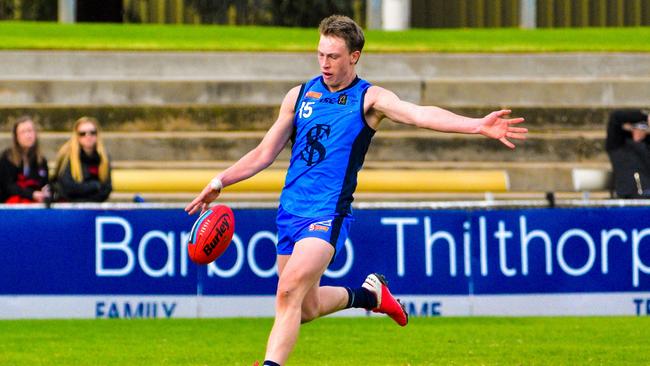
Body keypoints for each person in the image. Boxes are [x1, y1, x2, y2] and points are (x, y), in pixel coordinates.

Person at [185, 15, 527, 366]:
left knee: (286, 292)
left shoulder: (370, 99)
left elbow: (419, 114)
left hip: (328, 214)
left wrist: (477, 125)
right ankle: (369, 296)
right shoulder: (300, 95)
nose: (324, 63)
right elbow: (263, 153)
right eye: (320, 54)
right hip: (290, 212)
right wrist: (219, 181)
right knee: (305, 307)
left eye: (333, 56)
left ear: (354, 57)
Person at [53, 116, 112, 202]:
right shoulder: (66, 155)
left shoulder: (104, 157)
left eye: (92, 132)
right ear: (76, 136)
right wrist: (94, 186)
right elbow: (67, 187)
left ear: (97, 134)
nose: (88, 136)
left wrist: (89, 199)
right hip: (69, 206)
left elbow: (106, 189)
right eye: (82, 133)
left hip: (94, 206)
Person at [0, 116, 50, 204]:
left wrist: (44, 191)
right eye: (23, 132)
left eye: (30, 131)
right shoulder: (7, 157)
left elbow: (44, 183)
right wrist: (32, 194)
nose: (28, 135)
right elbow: (8, 186)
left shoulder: (41, 160)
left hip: (35, 205)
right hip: (10, 206)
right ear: (16, 137)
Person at [605, 109, 650, 198]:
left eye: (644, 127)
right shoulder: (617, 144)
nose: (640, 130)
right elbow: (615, 117)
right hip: (626, 195)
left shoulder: (647, 145)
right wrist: (645, 117)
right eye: (637, 127)